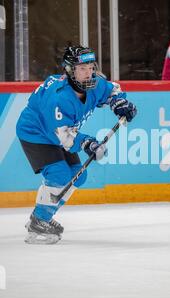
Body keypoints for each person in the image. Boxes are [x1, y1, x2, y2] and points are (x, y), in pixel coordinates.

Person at [16, 45, 137, 244]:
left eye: (91, 67)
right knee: (59, 175)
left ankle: (44, 214)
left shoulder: (93, 83)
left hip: (57, 131)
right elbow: (64, 137)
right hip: (36, 132)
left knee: (78, 176)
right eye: (82, 68)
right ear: (70, 70)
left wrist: (118, 103)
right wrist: (87, 142)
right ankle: (39, 220)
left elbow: (112, 89)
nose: (89, 73)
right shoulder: (59, 97)